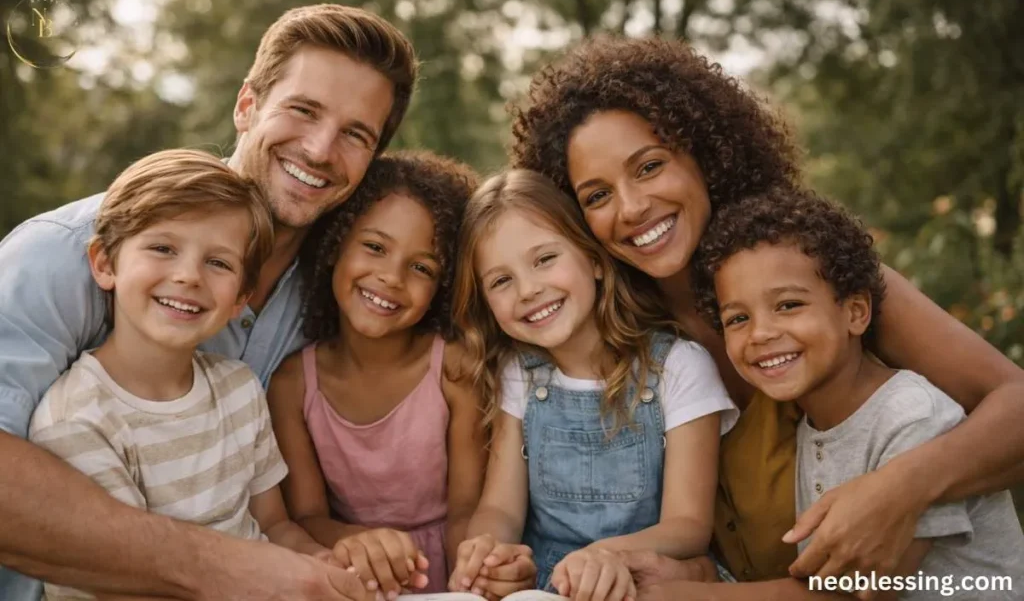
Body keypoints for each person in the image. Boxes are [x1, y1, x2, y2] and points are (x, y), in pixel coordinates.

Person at [508, 34, 1024, 598]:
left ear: (706, 157)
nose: (631, 208)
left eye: (650, 166)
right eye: (596, 196)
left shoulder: (811, 273)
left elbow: (1014, 404)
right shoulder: (616, 338)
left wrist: (902, 489)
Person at [0, 3, 416, 601]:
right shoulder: (61, 255)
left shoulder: (340, 290)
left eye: (356, 134)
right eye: (303, 110)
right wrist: (222, 568)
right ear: (247, 105)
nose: (321, 149)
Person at [29, 149, 337, 600]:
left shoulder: (239, 389)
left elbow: (274, 526)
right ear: (105, 263)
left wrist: (322, 565)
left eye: (219, 263)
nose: (189, 276)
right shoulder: (76, 419)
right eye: (163, 248)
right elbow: (133, 581)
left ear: (241, 297)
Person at [688, 187, 1024, 600]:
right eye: (738, 318)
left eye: (788, 305)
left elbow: (858, 592)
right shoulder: (808, 431)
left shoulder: (911, 415)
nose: (760, 333)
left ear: (856, 312)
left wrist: (683, 595)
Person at [447, 170, 738, 601]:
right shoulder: (520, 373)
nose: (528, 290)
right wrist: (489, 550)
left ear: (595, 261)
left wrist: (602, 556)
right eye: (501, 281)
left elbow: (689, 526)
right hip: (545, 587)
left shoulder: (678, 367)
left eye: (545, 259)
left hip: (645, 580)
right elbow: (500, 508)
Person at [267, 152, 488, 599]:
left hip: (448, 577)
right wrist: (356, 541)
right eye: (375, 247)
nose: (391, 277)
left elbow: (466, 511)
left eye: (422, 267)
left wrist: (466, 586)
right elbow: (307, 517)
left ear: (442, 287)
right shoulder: (292, 383)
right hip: (355, 575)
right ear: (336, 244)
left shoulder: (454, 369)